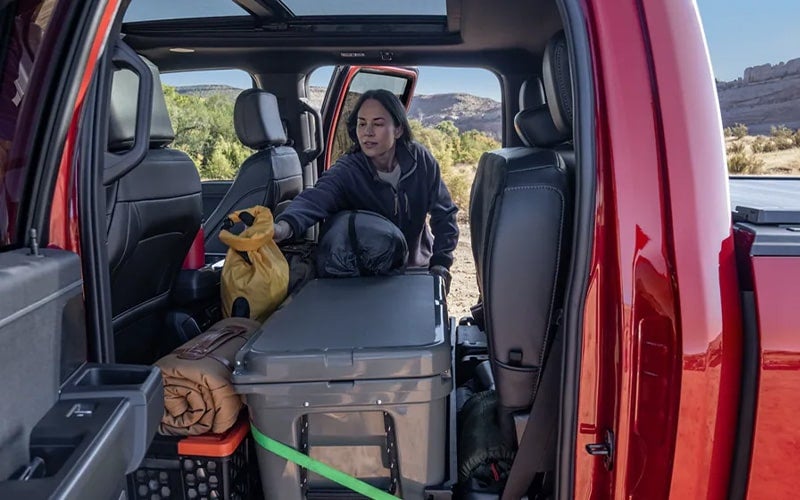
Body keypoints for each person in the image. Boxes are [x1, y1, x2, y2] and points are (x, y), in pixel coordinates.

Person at [273, 88, 459, 290]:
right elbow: (315, 198)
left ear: (398, 129)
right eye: (362, 124)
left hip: (417, 269)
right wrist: (282, 227)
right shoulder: (348, 170)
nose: (367, 132)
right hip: (370, 276)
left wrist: (441, 263)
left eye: (377, 123)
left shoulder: (420, 161)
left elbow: (445, 215)